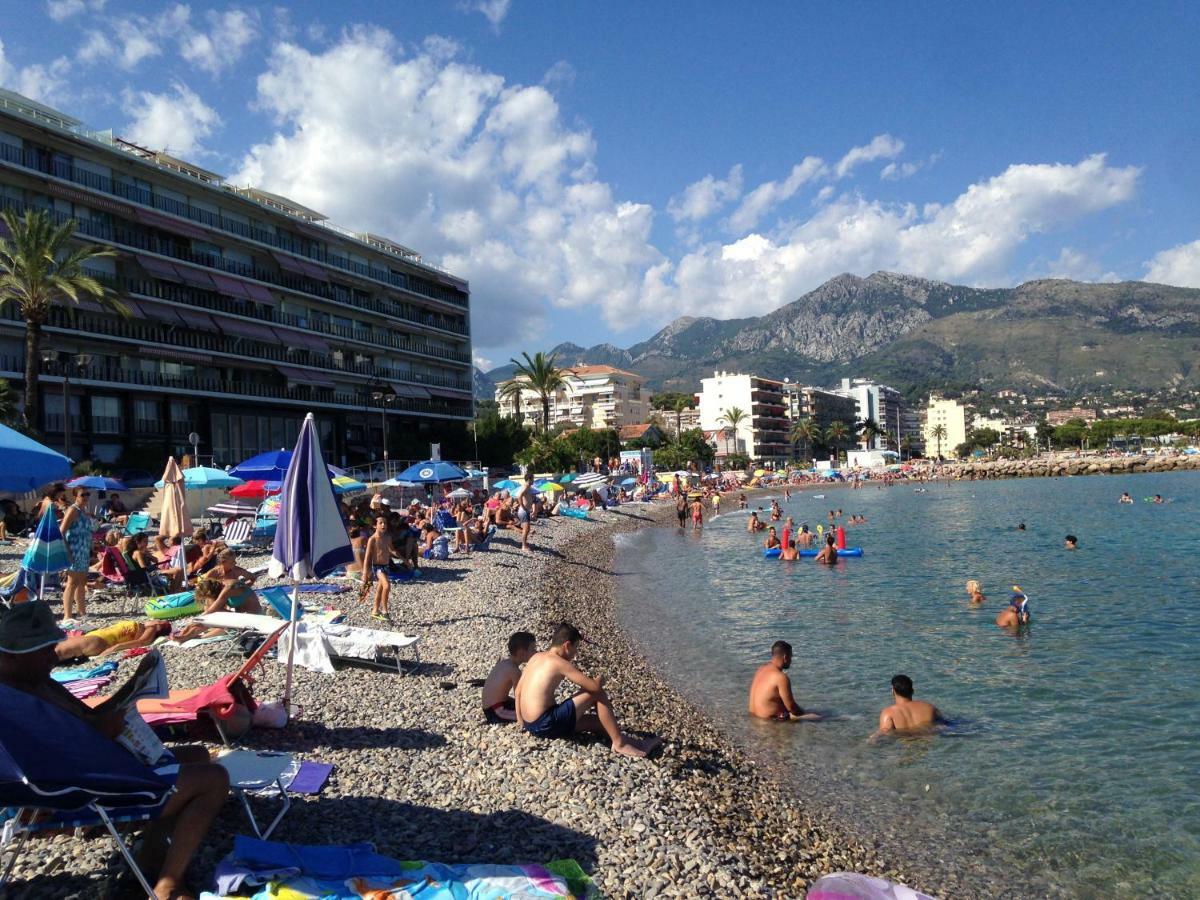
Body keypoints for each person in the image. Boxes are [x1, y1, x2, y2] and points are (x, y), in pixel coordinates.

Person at [0, 602, 230, 900]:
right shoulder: (13, 704)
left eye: (51, 645)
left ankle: (149, 856)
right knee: (213, 779)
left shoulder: (36, 681)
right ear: (9, 655)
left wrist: (132, 690)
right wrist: (104, 735)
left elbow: (87, 720)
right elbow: (55, 761)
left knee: (197, 755)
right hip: (84, 789)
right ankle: (168, 884)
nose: (52, 655)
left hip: (99, 765)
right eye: (42, 649)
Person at [515, 622, 658, 757]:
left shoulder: (536, 657)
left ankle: (636, 743)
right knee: (597, 693)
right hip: (546, 723)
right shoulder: (559, 662)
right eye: (576, 648)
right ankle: (620, 744)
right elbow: (594, 687)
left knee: (598, 723)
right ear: (567, 645)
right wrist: (600, 679)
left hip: (530, 724)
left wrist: (522, 722)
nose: (575, 653)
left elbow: (518, 691)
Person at [748, 640, 821, 721]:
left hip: (754, 720)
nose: (791, 661)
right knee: (821, 717)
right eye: (791, 657)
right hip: (768, 725)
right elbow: (792, 708)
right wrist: (805, 713)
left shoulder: (761, 669)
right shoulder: (780, 678)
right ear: (785, 657)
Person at [482, 631, 537, 724]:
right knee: (532, 717)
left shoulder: (504, 663)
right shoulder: (514, 671)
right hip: (496, 711)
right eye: (533, 649)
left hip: (491, 706)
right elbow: (519, 696)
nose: (535, 652)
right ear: (522, 653)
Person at [59, 487, 96, 622]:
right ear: (76, 496)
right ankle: (67, 615)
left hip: (83, 550)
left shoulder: (83, 511)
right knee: (72, 582)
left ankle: (82, 612)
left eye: (87, 494)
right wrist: (67, 551)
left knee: (82, 582)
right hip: (74, 550)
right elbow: (61, 531)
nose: (86, 497)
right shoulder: (73, 510)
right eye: (82, 495)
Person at [56, 619, 172, 661]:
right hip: (95, 637)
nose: (153, 619)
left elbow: (141, 642)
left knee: (56, 652)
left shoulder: (152, 628)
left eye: (159, 620)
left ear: (160, 625)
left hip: (99, 640)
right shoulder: (144, 627)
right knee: (54, 650)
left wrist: (116, 648)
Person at [871, 674, 941, 740]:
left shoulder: (888, 713)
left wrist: (871, 739)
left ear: (893, 691)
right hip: (926, 742)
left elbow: (884, 733)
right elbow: (944, 725)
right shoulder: (930, 708)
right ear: (912, 691)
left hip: (903, 745)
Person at [200, 549, 261, 616]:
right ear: (223, 562)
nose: (235, 563)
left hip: (233, 598)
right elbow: (204, 587)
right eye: (232, 562)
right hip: (220, 598)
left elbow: (253, 577)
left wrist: (244, 588)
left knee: (215, 608)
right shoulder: (213, 573)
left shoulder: (237, 570)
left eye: (235, 560)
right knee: (209, 602)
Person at [362, 515, 396, 621]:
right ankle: (385, 611)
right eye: (380, 523)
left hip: (386, 566)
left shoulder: (388, 538)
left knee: (380, 590)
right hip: (377, 567)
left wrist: (405, 561)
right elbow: (367, 556)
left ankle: (375, 610)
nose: (383, 525)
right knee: (387, 585)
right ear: (375, 526)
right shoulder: (372, 539)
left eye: (385, 523)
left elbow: (392, 550)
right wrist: (364, 573)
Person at [515, 473, 534, 553]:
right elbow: (519, 496)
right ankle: (523, 546)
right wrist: (522, 506)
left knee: (527, 529)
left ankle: (524, 544)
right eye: (533, 479)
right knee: (526, 529)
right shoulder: (526, 486)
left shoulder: (527, 487)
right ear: (529, 479)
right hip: (523, 511)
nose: (533, 480)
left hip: (525, 510)